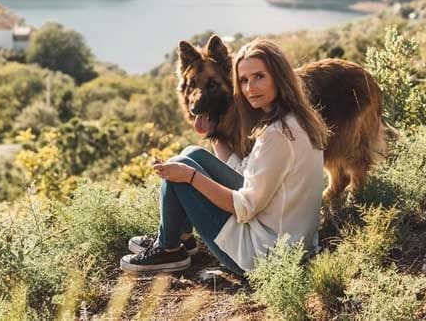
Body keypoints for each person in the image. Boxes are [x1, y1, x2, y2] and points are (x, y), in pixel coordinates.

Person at [120, 39, 329, 275]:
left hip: (263, 256)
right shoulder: (293, 120)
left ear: (279, 77)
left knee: (182, 167)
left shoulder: (277, 135)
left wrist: (190, 177)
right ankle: (179, 238)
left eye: (259, 77)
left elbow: (244, 207)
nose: (250, 88)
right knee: (192, 153)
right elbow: (245, 175)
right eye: (243, 80)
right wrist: (216, 136)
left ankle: (169, 249)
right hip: (289, 239)